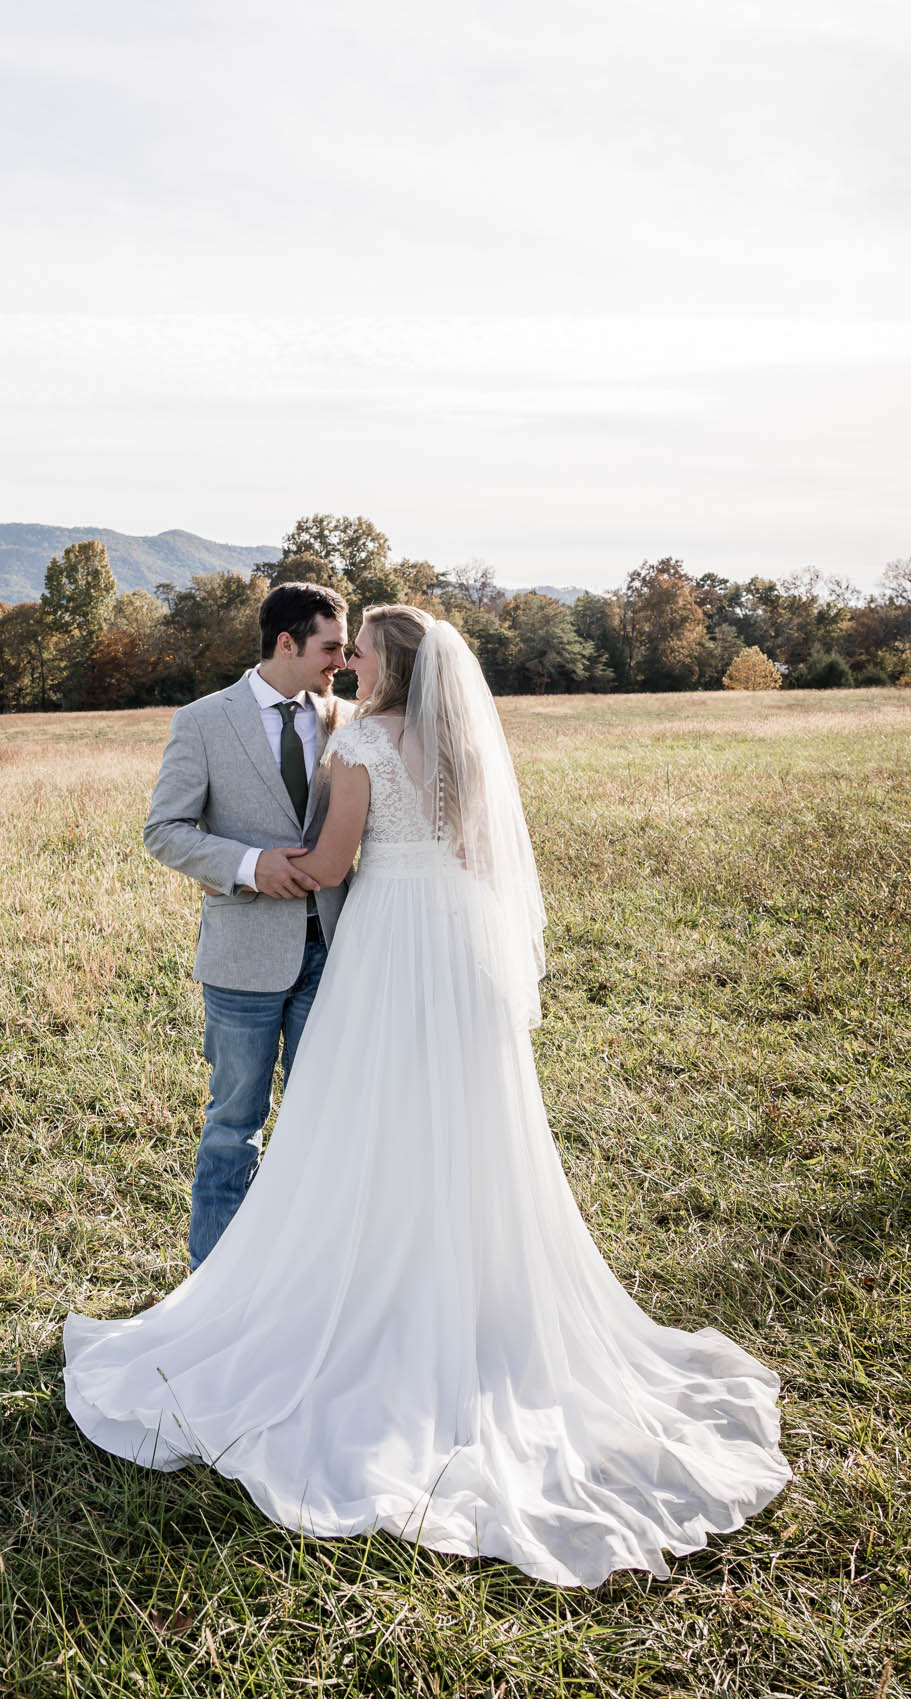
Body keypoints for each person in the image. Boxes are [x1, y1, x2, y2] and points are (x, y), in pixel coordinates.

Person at [65, 606, 790, 1587]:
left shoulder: (360, 738)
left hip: (387, 944)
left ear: (388, 663)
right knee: (467, 1127)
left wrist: (278, 868)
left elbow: (328, 865)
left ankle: (369, 1282)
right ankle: (459, 1288)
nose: (345, 659)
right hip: (461, 944)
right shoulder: (467, 744)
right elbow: (486, 862)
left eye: (357, 647)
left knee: (366, 1121)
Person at [143, 581, 355, 1269]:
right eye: (329, 648)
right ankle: (213, 1286)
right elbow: (164, 831)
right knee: (233, 1126)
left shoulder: (347, 721)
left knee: (322, 1123)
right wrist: (246, 863)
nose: (340, 663)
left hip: (335, 953)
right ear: (285, 642)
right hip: (242, 957)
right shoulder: (203, 721)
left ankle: (298, 1279)